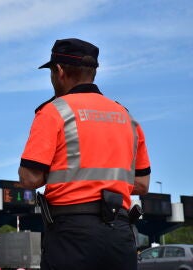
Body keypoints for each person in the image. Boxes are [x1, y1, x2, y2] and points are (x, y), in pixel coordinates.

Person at [18, 38, 151, 270]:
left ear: (59, 71)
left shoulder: (53, 112)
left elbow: (29, 179)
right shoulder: (127, 117)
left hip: (71, 234)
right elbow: (141, 183)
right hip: (120, 234)